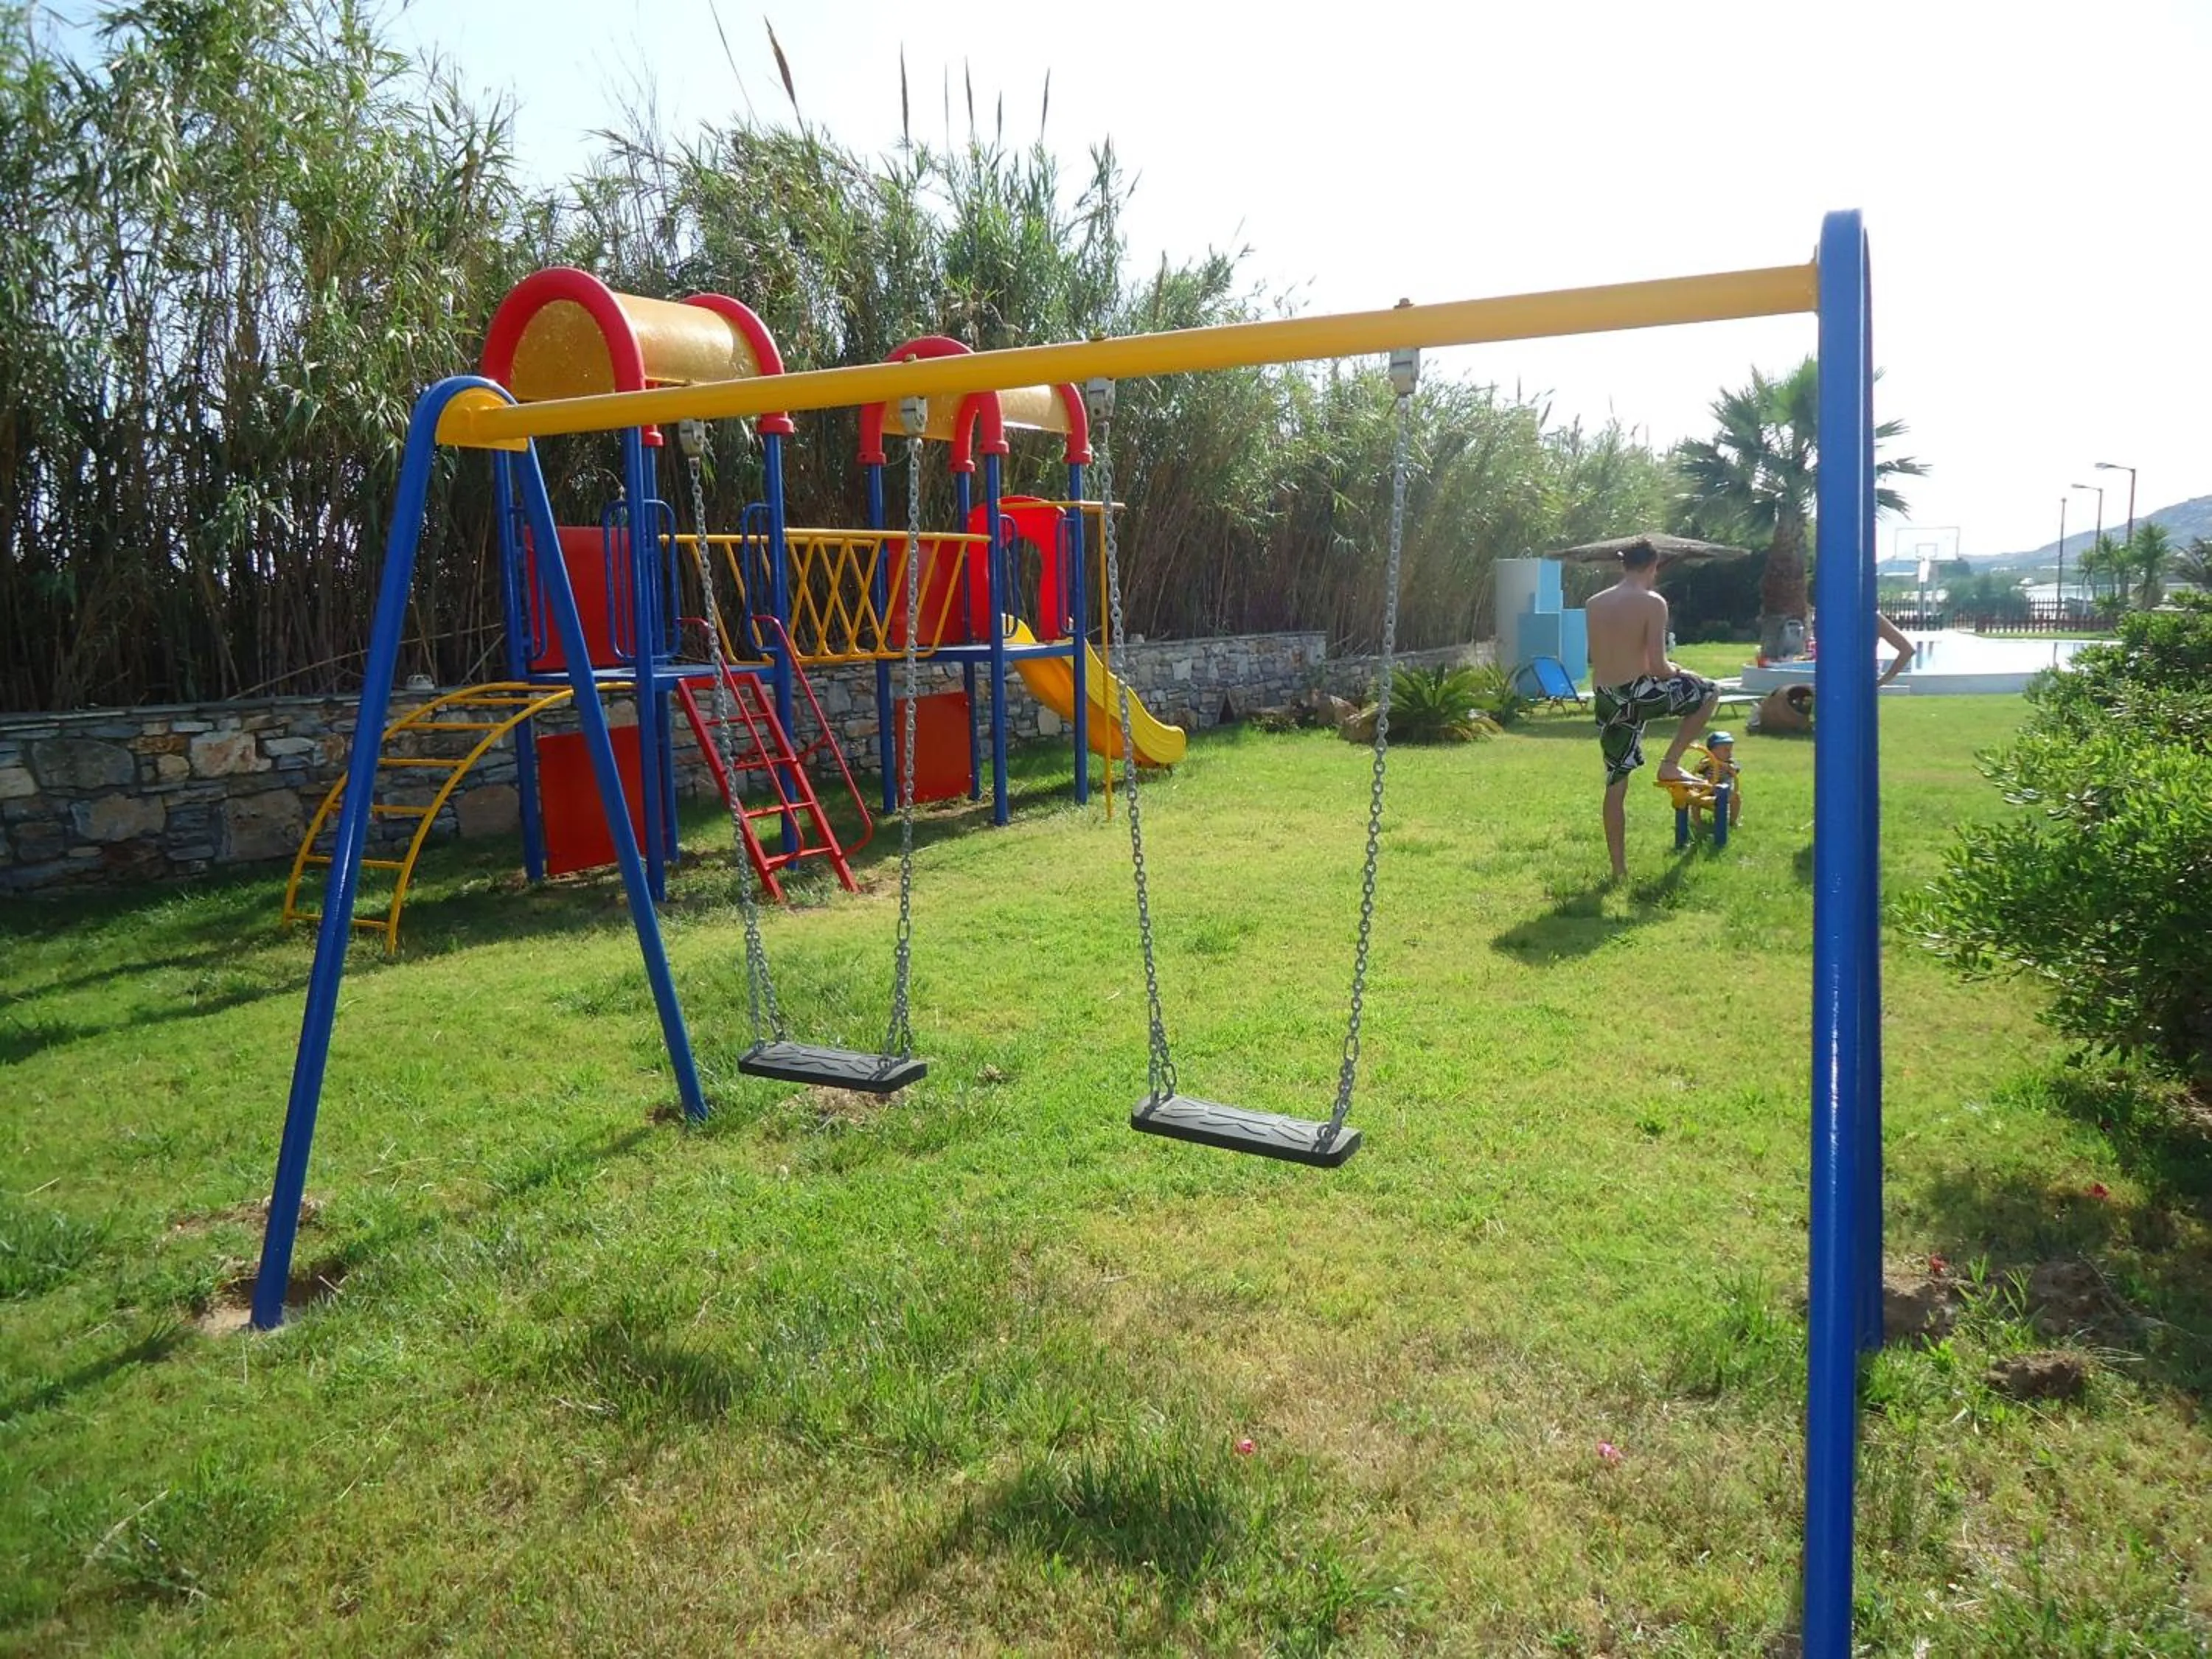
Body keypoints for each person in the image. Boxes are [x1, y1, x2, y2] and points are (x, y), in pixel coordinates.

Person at [1585, 539, 1719, 880]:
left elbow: (1613, 654)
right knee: (1709, 692)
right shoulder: (1652, 602)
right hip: (1640, 693)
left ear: (1623, 565)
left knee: (1616, 784)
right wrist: (1682, 672)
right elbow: (1659, 666)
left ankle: (1619, 871)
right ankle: (1670, 764)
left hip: (1607, 698)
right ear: (1653, 566)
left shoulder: (1594, 603)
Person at [1692, 731, 1742, 828]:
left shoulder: (1730, 762)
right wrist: (1703, 766)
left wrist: (1730, 768)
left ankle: (1733, 821)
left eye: (1730, 750)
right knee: (1695, 796)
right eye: (1726, 750)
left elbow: (1736, 770)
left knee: (1736, 797)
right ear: (1712, 751)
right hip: (1708, 788)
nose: (1729, 753)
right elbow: (1699, 770)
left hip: (1725, 790)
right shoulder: (1707, 760)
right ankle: (1697, 821)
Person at [1876, 613, 1917, 688]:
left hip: (1863, 679)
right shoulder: (1874, 619)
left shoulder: (1874, 620)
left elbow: (1907, 650)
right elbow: (1907, 650)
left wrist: (1883, 680)